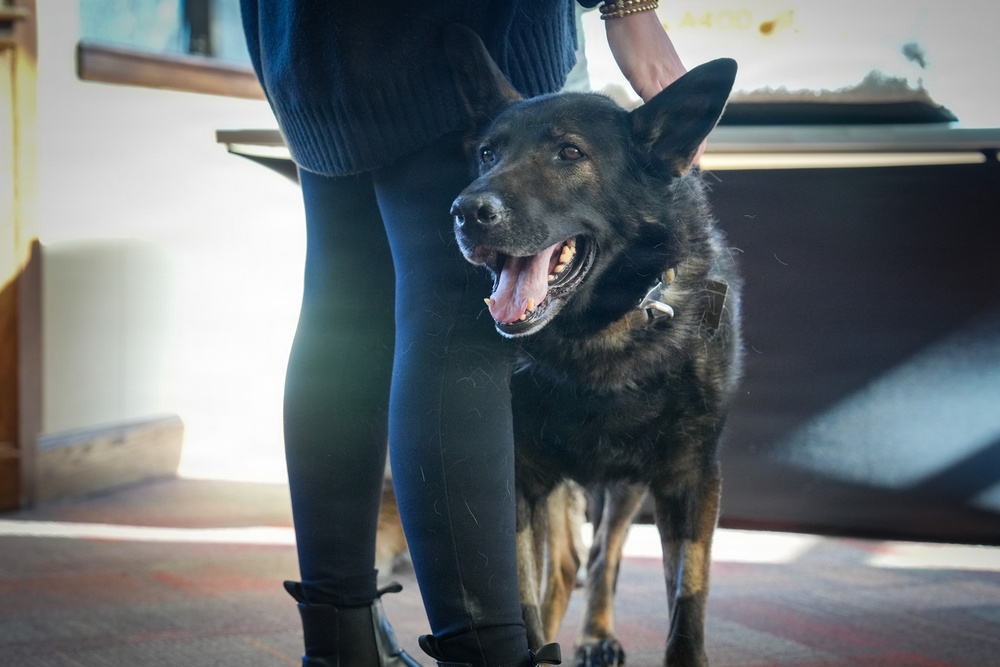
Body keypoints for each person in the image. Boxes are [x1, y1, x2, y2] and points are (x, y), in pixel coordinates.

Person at [238, 2, 690, 666]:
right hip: (450, 25)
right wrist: (630, 9)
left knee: (344, 310)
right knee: (460, 314)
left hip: (303, 35)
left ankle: (339, 643)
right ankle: (486, 652)